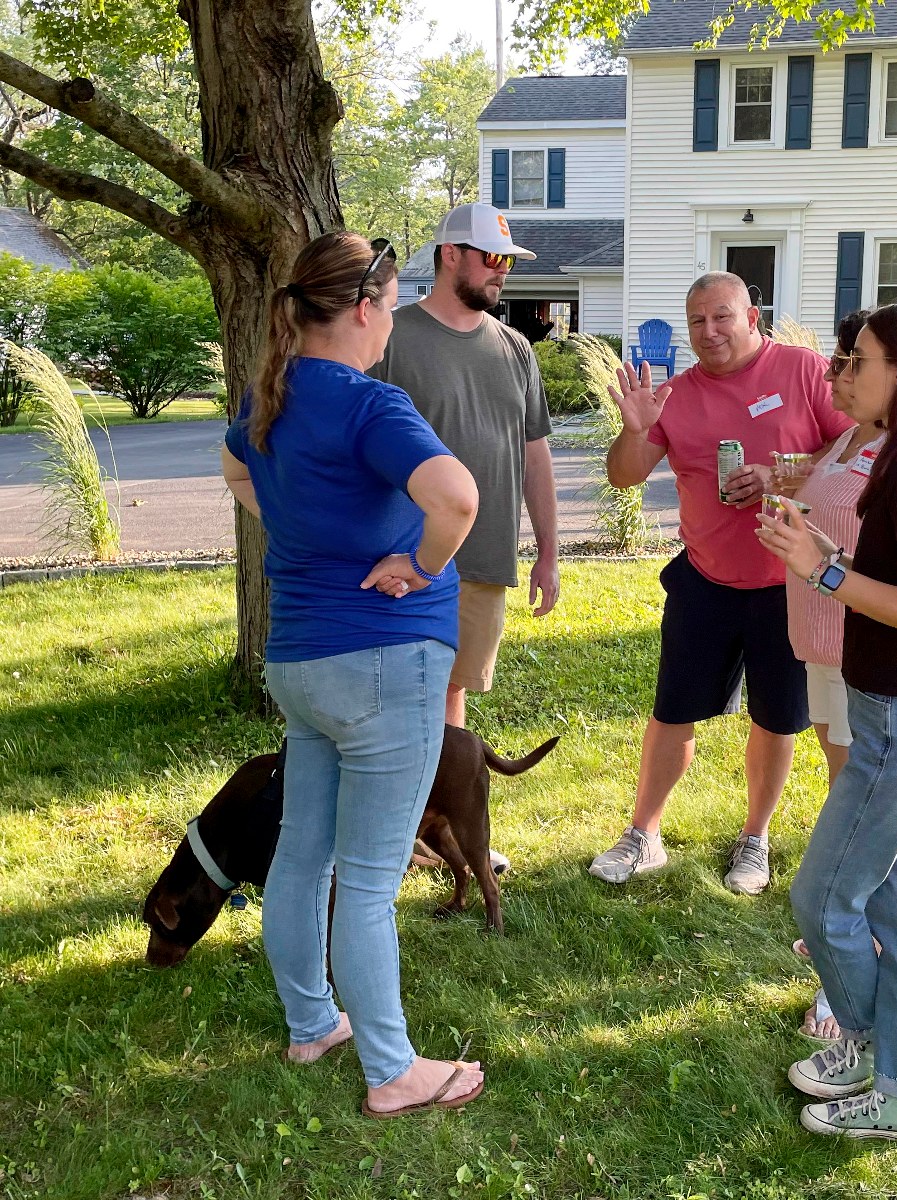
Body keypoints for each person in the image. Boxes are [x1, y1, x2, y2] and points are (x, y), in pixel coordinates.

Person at [221, 231, 485, 1117]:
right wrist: (419, 562)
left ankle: (311, 1025)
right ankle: (392, 1071)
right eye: (391, 302)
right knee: (368, 879)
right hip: (382, 665)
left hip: (301, 665)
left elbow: (233, 466)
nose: (389, 327)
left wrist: (305, 533)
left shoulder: (273, 398)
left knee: (304, 856)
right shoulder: (371, 405)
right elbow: (457, 499)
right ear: (366, 308)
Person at [757, 299, 897, 1143]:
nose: (842, 374)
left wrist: (823, 572)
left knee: (823, 899)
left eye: (860, 360)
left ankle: (866, 1045)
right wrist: (824, 553)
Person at [588, 272, 853, 894]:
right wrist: (632, 429)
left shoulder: (803, 371)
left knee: (776, 718)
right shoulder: (676, 394)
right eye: (698, 322)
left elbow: (852, 448)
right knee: (673, 710)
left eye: (723, 317)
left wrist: (780, 475)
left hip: (789, 578)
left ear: (752, 316)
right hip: (706, 577)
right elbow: (624, 476)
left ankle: (754, 839)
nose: (710, 332)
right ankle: (644, 834)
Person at [372, 203, 560, 731]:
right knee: (401, 697)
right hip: (404, 559)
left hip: (484, 560)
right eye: (493, 257)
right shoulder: (388, 336)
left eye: (509, 261)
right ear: (451, 255)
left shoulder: (517, 349)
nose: (503, 269)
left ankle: (441, 812)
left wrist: (548, 552)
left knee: (453, 694)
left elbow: (534, 455)